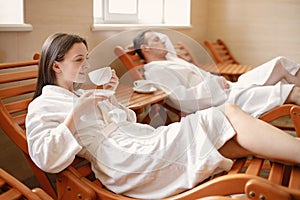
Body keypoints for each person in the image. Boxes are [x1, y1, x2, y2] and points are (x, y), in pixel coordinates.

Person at [26, 33, 300, 199]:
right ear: (56, 66)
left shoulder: (81, 95)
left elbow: (126, 122)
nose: (87, 65)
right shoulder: (44, 105)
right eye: (79, 60)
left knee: (232, 137)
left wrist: (109, 98)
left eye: (87, 58)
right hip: (125, 160)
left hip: (140, 142)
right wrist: (77, 114)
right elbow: (44, 157)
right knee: (225, 114)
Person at [133, 30, 300, 117]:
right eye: (156, 39)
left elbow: (198, 76)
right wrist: (215, 84)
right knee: (293, 91)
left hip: (229, 87)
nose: (163, 40)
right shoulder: (156, 71)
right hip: (224, 101)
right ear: (145, 49)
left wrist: (218, 81)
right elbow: (182, 101)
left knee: (279, 63)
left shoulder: (170, 60)